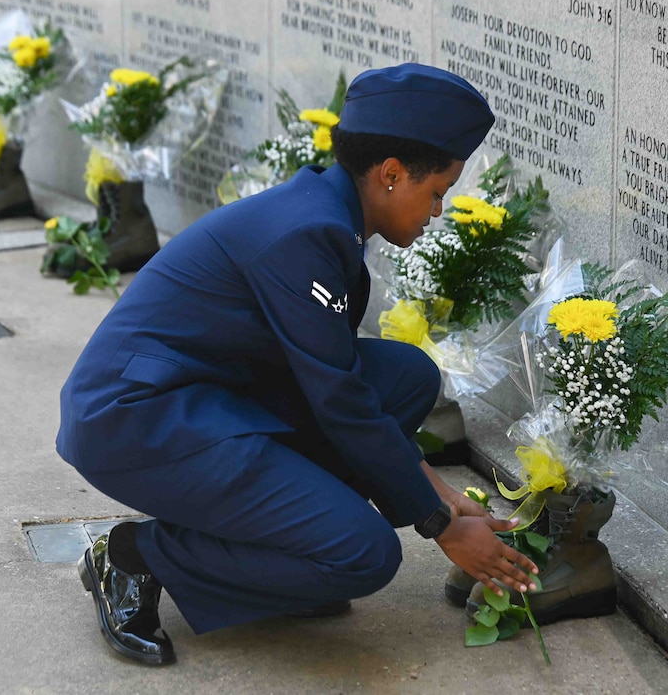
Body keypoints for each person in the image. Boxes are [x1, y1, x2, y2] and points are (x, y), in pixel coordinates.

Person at [57, 63, 538, 666]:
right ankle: (134, 555)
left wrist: (433, 489)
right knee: (364, 556)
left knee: (407, 376)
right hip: (140, 419)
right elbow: (338, 402)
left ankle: (291, 554)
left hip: (210, 394)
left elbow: (341, 384)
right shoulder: (307, 232)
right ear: (390, 175)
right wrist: (439, 521)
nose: (438, 210)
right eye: (437, 191)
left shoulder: (325, 208)